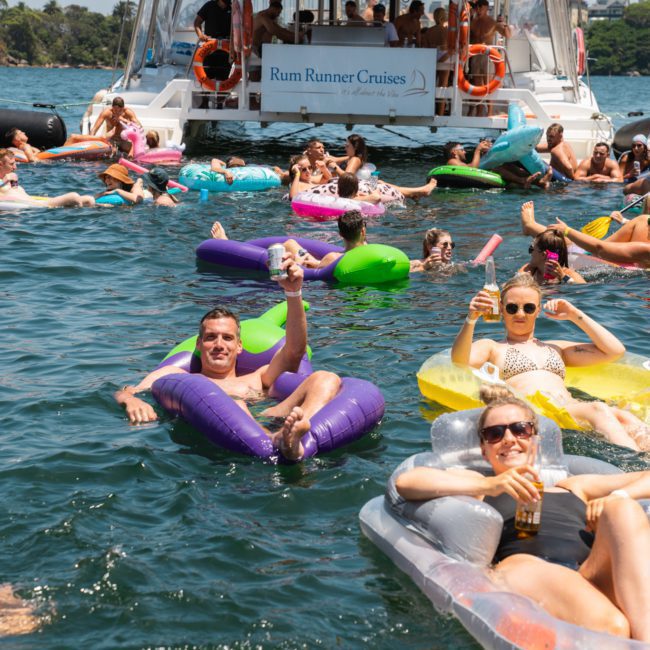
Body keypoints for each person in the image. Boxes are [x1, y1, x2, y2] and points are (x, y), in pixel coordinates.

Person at [395, 397, 650, 641]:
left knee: (624, 509)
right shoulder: (480, 486)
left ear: (535, 440)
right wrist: (493, 484)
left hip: (588, 569)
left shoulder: (573, 485)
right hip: (529, 568)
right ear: (484, 449)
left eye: (520, 429)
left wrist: (618, 496)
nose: (508, 439)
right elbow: (407, 482)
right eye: (495, 434)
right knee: (612, 625)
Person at [114, 264, 342, 461]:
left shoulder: (258, 378)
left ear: (239, 346)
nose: (219, 344)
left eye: (227, 338)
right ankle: (280, 440)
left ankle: (292, 438)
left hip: (270, 417)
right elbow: (126, 391)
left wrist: (294, 293)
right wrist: (131, 402)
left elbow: (294, 351)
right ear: (198, 344)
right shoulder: (179, 374)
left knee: (326, 379)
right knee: (237, 404)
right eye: (211, 337)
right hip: (224, 431)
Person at [451, 272, 649, 450]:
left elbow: (615, 351)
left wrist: (573, 314)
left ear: (537, 310)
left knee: (625, 417)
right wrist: (471, 319)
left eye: (528, 308)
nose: (520, 314)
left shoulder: (555, 348)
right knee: (598, 408)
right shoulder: (492, 347)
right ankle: (633, 465)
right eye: (512, 308)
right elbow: (460, 361)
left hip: (571, 407)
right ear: (501, 309)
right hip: (539, 411)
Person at [520, 200, 650, 269]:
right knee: (643, 220)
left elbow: (600, 249)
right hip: (606, 255)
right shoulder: (644, 223)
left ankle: (530, 226)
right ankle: (530, 226)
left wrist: (567, 230)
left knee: (566, 243)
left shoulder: (646, 249)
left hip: (599, 259)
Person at [0, 148, 94, 207]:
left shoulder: (12, 177)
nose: (15, 167)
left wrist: (12, 181)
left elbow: (15, 190)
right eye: (11, 164)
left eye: (15, 163)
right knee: (74, 196)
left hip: (31, 202)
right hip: (37, 205)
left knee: (89, 199)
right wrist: (4, 182)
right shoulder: (5, 180)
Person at [469, 0, 511, 116]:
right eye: (477, 7)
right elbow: (468, 39)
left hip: (488, 55)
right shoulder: (472, 22)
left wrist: (505, 24)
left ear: (486, 8)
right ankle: (479, 111)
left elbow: (507, 35)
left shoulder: (492, 23)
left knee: (488, 84)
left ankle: (490, 112)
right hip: (476, 55)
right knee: (477, 85)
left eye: (480, 7)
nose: (478, 9)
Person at [519, 229, 585, 285]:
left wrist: (563, 277)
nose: (530, 253)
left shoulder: (569, 274)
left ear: (543, 255)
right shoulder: (529, 270)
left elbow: (583, 292)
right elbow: (512, 285)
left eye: (532, 249)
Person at [421, 7, 450, 115]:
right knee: (442, 87)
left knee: (430, 85)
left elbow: (425, 47)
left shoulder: (429, 31)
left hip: (432, 57)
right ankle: (441, 113)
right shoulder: (446, 32)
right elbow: (452, 48)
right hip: (445, 57)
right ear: (444, 17)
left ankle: (429, 111)